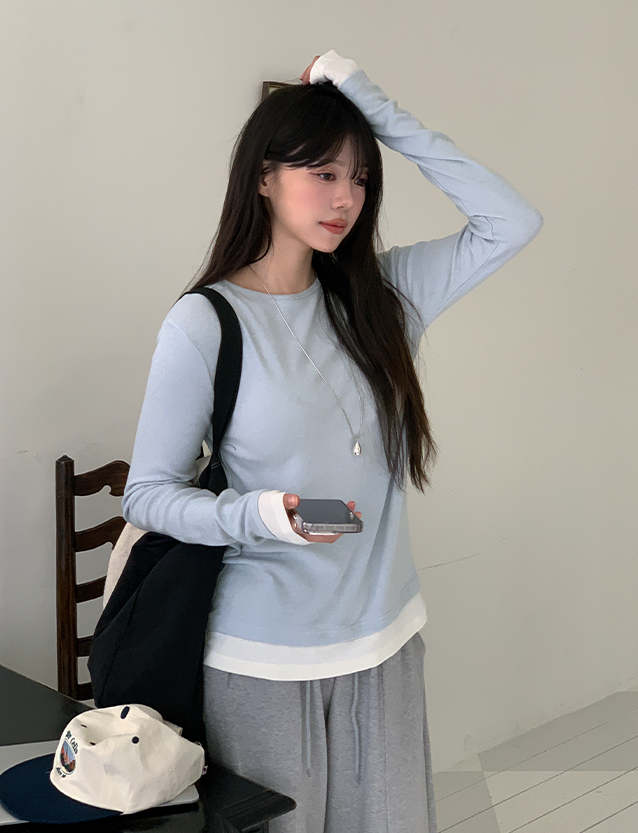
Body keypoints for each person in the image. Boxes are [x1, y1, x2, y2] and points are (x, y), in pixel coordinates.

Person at [122, 48, 543, 833]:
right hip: (262, 661)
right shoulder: (205, 323)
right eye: (322, 172)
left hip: (386, 644)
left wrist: (370, 105)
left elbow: (512, 221)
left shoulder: (381, 298)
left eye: (360, 177)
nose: (345, 196)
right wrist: (260, 515)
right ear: (263, 177)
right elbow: (146, 495)